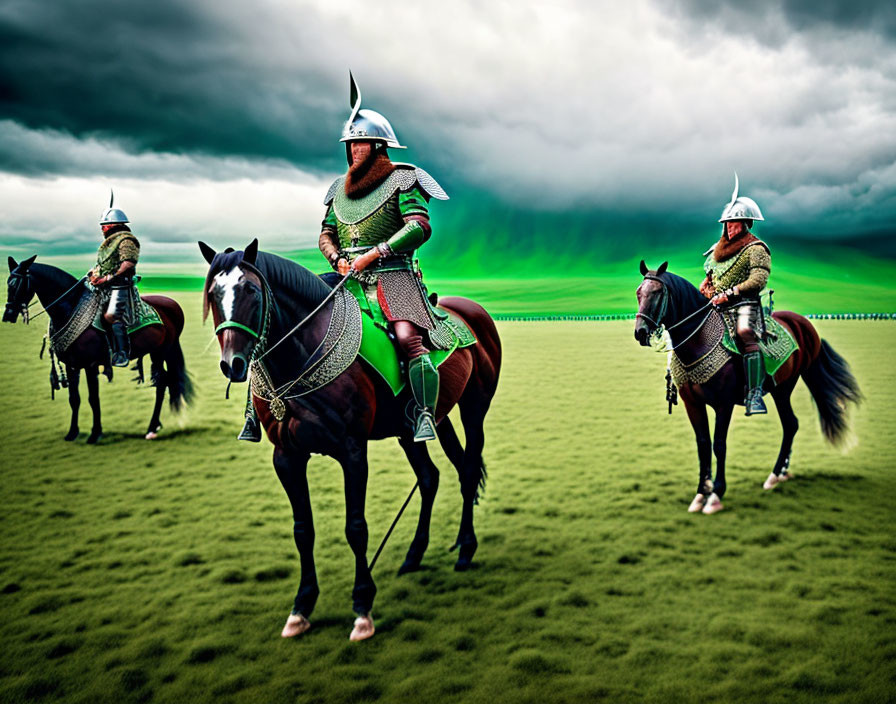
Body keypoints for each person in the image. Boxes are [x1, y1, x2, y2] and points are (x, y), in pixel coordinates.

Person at [699, 174, 771, 415]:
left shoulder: (756, 249)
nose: (729, 227)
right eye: (727, 223)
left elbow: (758, 280)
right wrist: (707, 286)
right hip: (717, 305)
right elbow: (711, 277)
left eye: (734, 222)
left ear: (746, 223)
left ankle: (754, 394)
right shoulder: (717, 251)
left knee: (744, 333)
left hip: (745, 304)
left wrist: (731, 293)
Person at [88, 192, 139, 367]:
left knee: (112, 316)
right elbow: (102, 264)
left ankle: (121, 353)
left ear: (114, 225)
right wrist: (94, 276)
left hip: (120, 286)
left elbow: (128, 263)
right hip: (103, 286)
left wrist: (108, 278)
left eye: (105, 225)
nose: (102, 229)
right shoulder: (108, 243)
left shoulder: (126, 240)